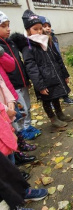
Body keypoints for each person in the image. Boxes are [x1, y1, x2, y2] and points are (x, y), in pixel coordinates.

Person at [20, 10, 73, 128]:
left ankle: (59, 113)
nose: (39, 31)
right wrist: (40, 86)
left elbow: (57, 58)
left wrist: (64, 74)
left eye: (40, 28)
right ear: (28, 30)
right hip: (43, 80)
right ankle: (53, 118)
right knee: (47, 100)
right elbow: (31, 67)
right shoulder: (28, 47)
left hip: (54, 76)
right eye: (35, 29)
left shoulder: (46, 40)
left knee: (56, 96)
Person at [0, 11, 41, 140]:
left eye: (8, 25)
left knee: (27, 107)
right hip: (12, 86)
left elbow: (19, 62)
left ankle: (27, 127)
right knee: (19, 110)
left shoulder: (11, 43)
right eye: (4, 26)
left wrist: (26, 79)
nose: (8, 29)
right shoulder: (1, 48)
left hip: (22, 82)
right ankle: (21, 131)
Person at [39, 16, 73, 105]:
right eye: (44, 26)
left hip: (57, 64)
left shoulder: (54, 38)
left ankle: (65, 97)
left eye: (49, 26)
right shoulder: (41, 41)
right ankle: (52, 102)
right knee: (53, 85)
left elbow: (57, 53)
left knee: (63, 82)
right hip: (49, 67)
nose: (47, 28)